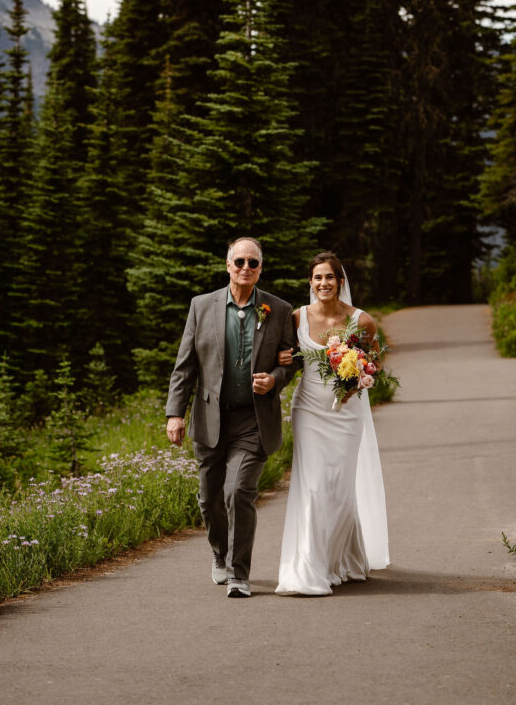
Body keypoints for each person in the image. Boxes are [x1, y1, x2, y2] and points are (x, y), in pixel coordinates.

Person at [166, 236, 298, 598]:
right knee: (209, 498)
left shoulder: (279, 310)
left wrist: (274, 378)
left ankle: (240, 574)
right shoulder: (201, 306)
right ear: (228, 266)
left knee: (238, 490)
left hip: (253, 420)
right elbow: (185, 365)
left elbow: (291, 360)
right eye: (239, 262)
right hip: (210, 417)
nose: (245, 269)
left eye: (252, 263)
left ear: (260, 268)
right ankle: (219, 552)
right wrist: (175, 413)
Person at [274, 250, 389, 595]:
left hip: (346, 415)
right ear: (310, 283)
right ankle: (309, 568)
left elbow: (377, 363)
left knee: (338, 487)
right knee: (312, 486)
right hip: (309, 409)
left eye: (330, 277)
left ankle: (342, 557)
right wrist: (282, 357)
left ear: (341, 282)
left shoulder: (361, 321)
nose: (324, 283)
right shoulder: (296, 318)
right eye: (317, 277)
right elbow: (284, 357)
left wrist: (358, 378)